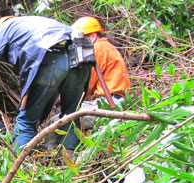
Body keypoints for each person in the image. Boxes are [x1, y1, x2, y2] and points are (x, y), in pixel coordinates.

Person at [0, 15, 92, 154]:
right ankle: (69, 168)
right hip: (81, 57)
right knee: (71, 117)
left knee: (26, 121)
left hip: (51, 55)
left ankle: (20, 170)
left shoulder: (5, 28)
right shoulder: (35, 23)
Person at [46, 16, 131, 148]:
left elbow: (86, 83)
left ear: (91, 36)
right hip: (116, 102)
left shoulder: (98, 48)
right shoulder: (106, 47)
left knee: (55, 122)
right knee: (65, 120)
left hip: (109, 104)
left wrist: (64, 96)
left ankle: (51, 159)